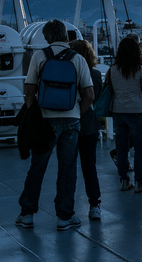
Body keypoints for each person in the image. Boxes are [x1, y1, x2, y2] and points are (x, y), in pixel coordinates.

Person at [15, 20, 94, 231]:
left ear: (47, 37)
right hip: (71, 121)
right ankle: (64, 217)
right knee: (67, 169)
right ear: (66, 37)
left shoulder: (40, 56)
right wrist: (77, 112)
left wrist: (35, 111)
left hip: (45, 121)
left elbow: (29, 89)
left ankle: (27, 214)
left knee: (37, 167)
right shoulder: (78, 59)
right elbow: (89, 94)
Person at [109, 37, 142, 193]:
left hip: (118, 111)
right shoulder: (139, 68)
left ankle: (124, 181)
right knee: (139, 149)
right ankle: (139, 183)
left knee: (121, 148)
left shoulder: (113, 69)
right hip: (136, 111)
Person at [69, 39, 103, 220]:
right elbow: (94, 98)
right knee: (89, 167)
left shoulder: (67, 73)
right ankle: (94, 204)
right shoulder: (95, 75)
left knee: (68, 167)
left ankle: (68, 208)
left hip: (69, 123)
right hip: (89, 124)